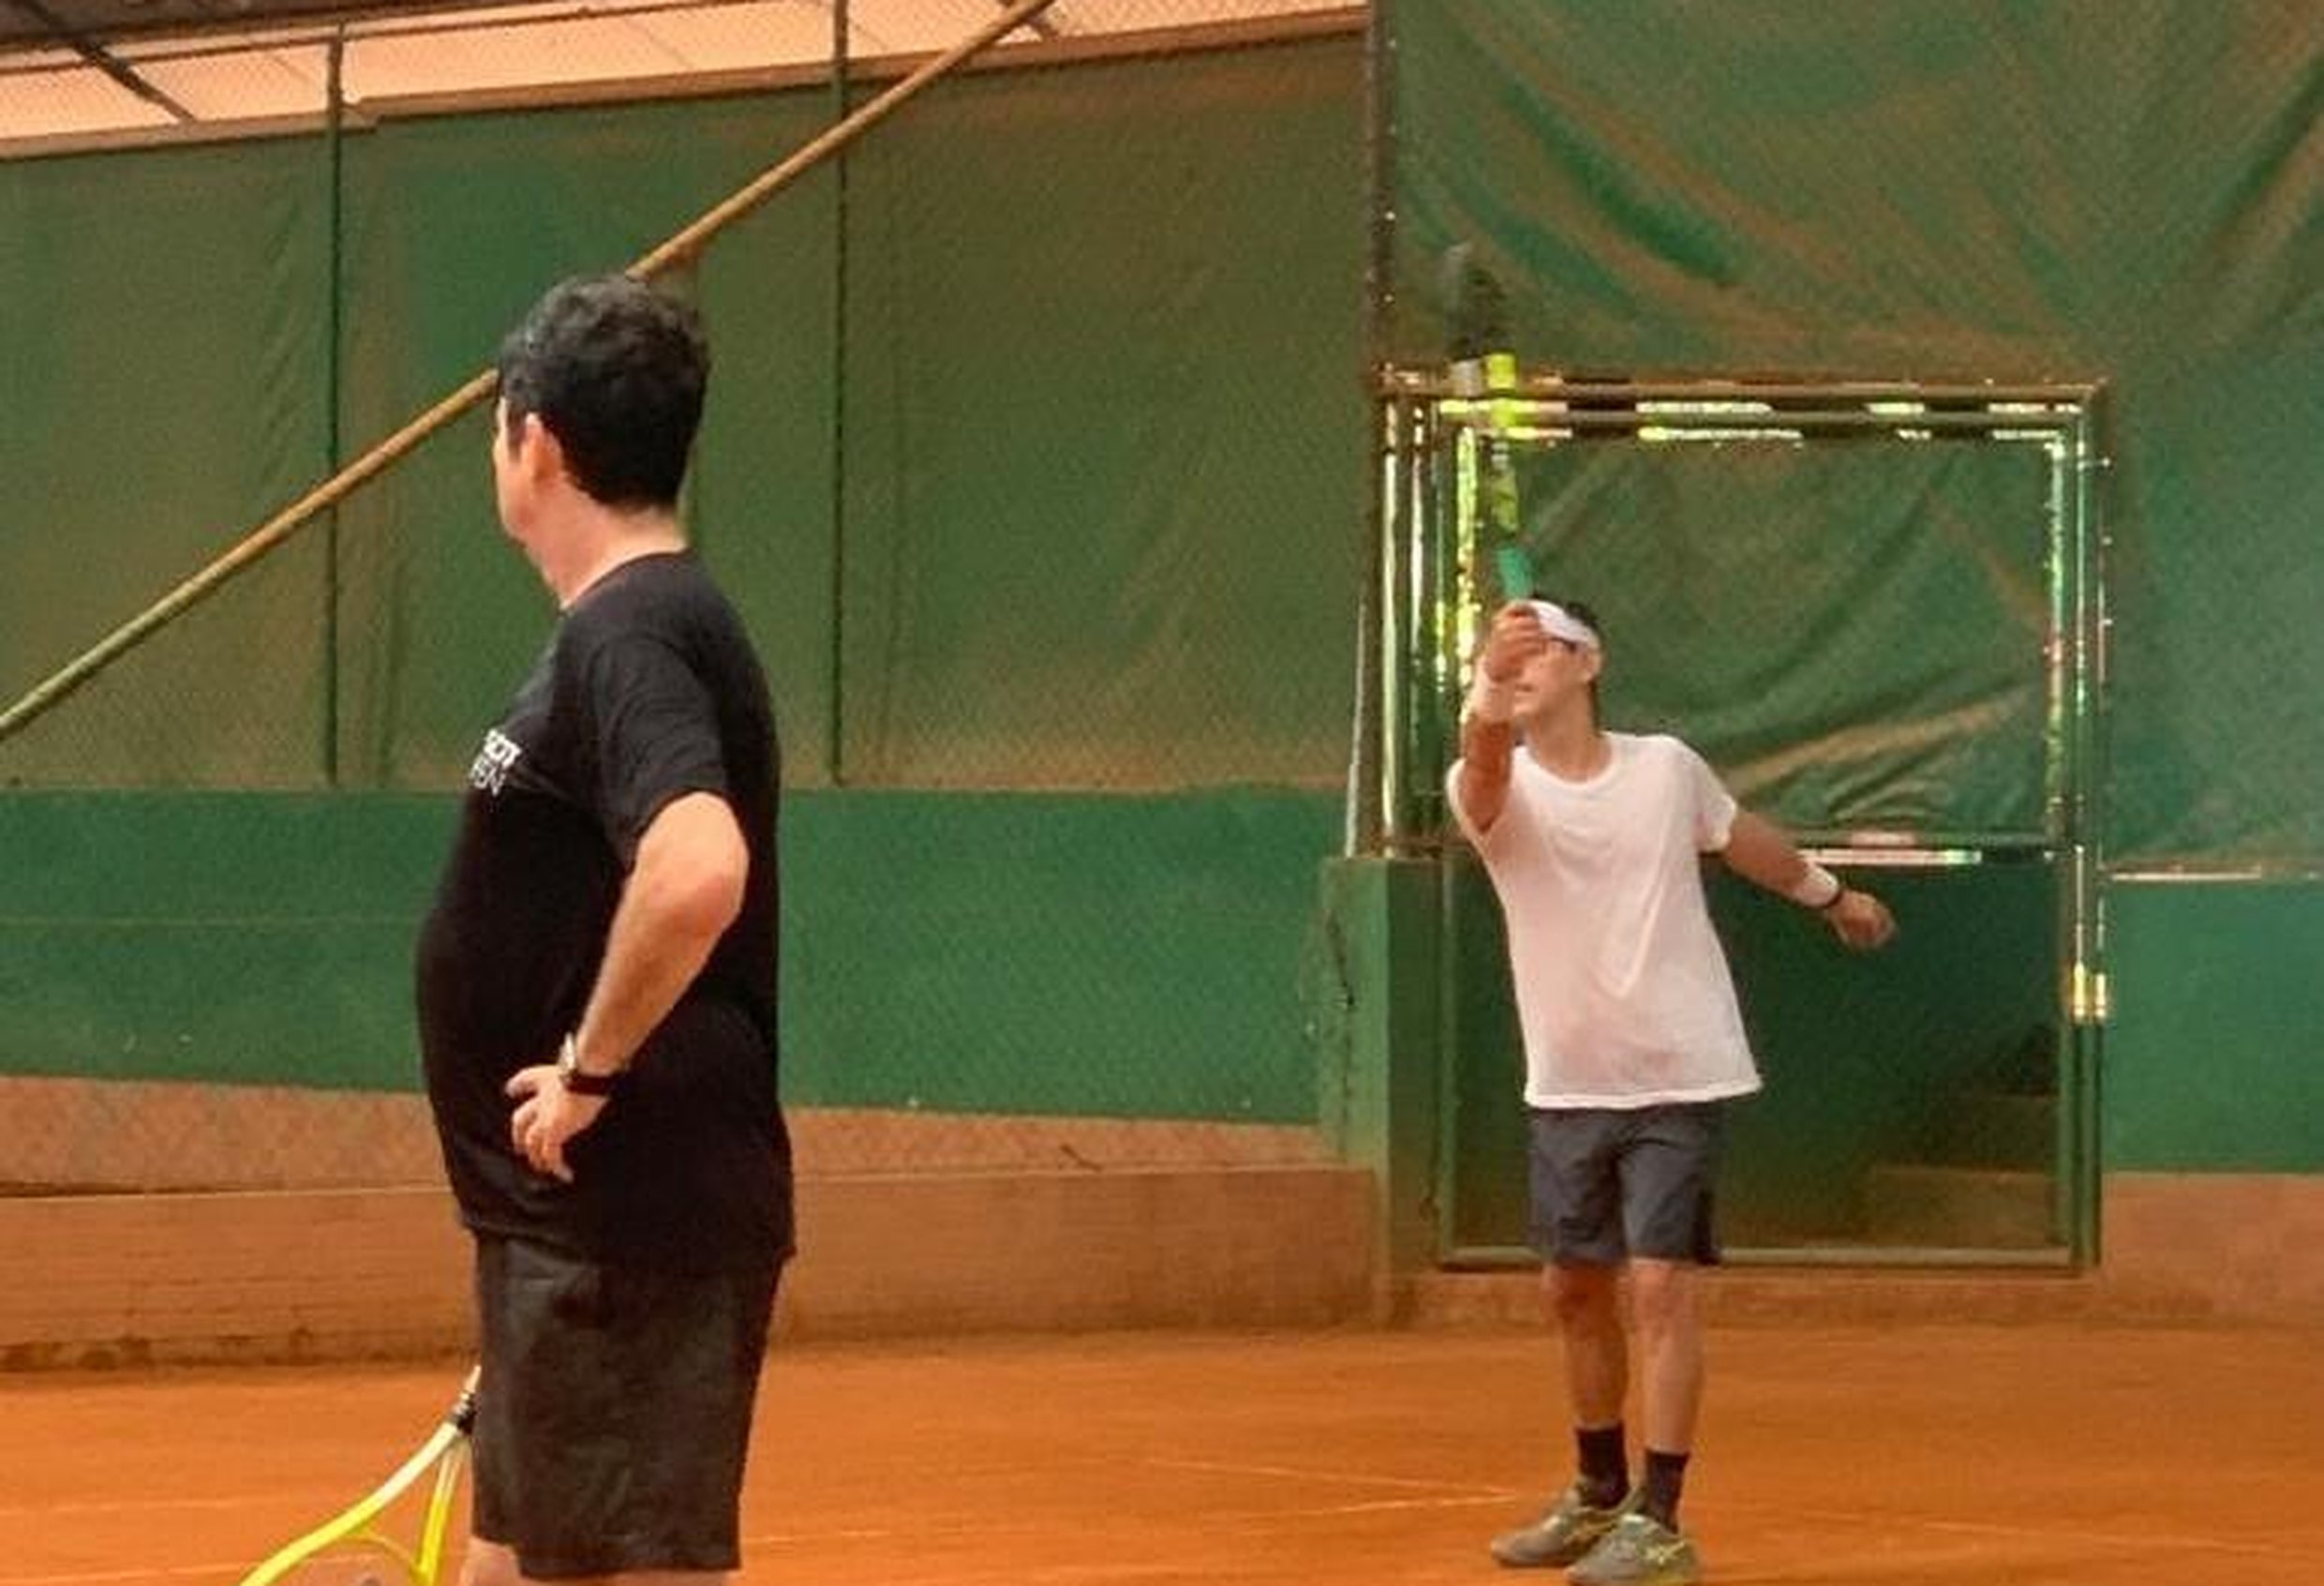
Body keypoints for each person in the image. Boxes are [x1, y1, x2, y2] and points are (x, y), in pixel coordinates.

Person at [415, 273, 791, 1585]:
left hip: (623, 1228)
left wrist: (587, 1071)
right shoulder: (629, 629)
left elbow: (695, 868)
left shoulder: (632, 631)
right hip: (572, 1237)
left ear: (537, 444)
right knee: (515, 1567)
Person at [1450, 597, 1894, 1586]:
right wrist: (1486, 688)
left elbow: (1738, 836)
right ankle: (1596, 1492)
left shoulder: (1664, 768)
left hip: (1678, 1069)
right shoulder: (1496, 784)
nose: (1522, 662)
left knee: (1658, 1284)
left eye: (1542, 646)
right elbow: (1480, 777)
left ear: (1589, 663)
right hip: (1567, 1085)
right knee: (1572, 1289)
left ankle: (1659, 1519)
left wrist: (1831, 895)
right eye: (1505, 650)